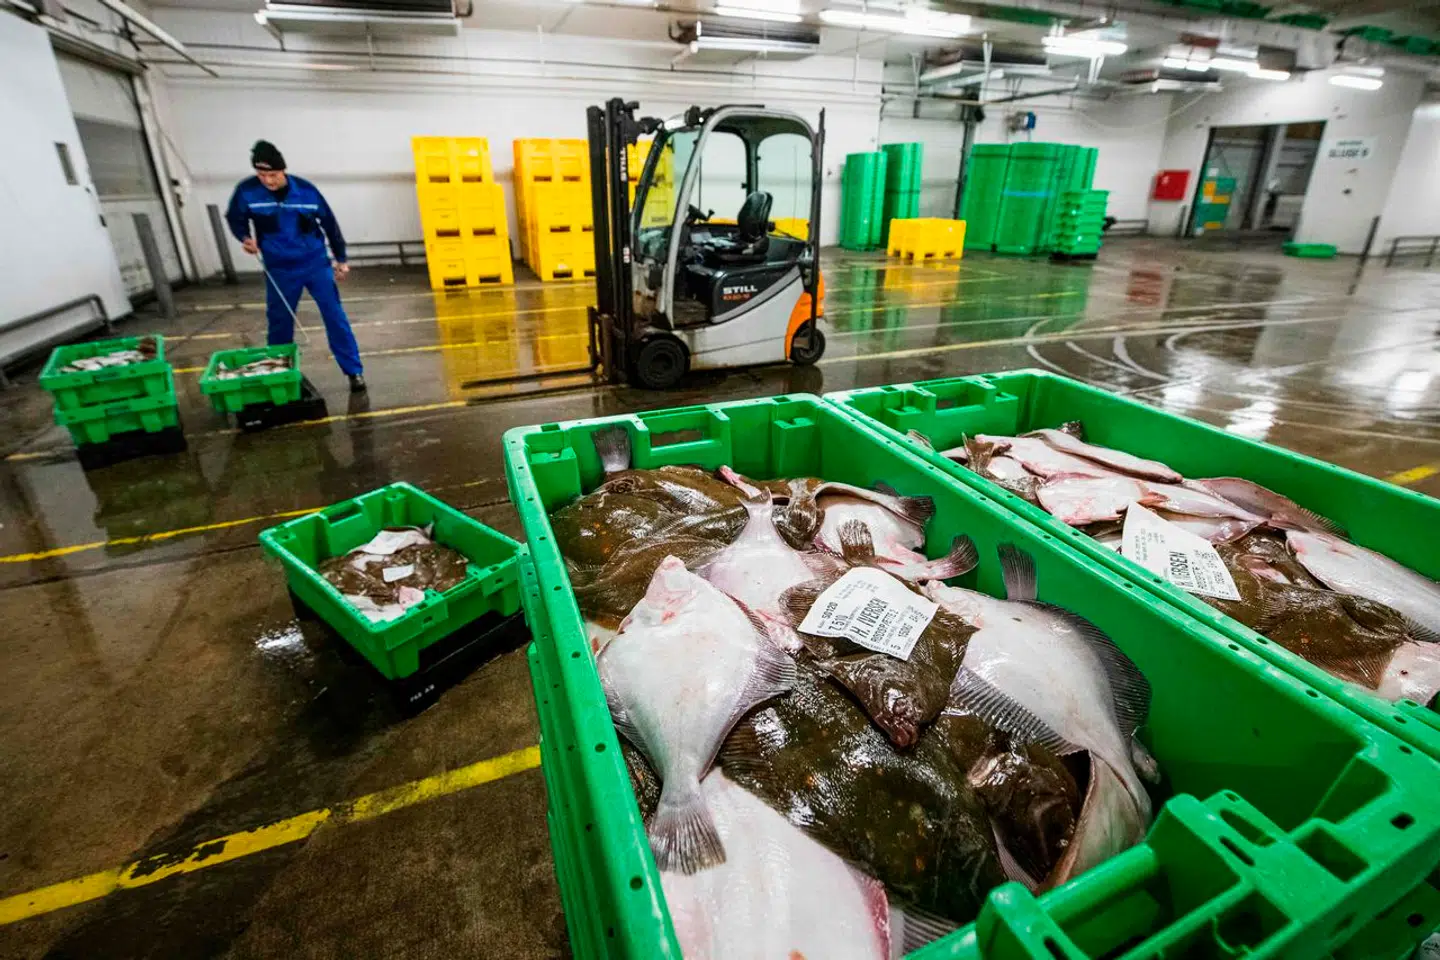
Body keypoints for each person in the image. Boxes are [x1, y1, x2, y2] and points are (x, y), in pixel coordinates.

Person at [225, 140, 366, 392]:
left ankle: (354, 371)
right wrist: (245, 238)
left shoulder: (307, 191)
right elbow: (235, 218)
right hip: (279, 268)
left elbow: (330, 225)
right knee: (279, 321)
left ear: (283, 170)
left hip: (315, 264)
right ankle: (280, 374)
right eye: (262, 175)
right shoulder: (247, 192)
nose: (267, 181)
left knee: (335, 317)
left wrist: (341, 259)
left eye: (273, 174)